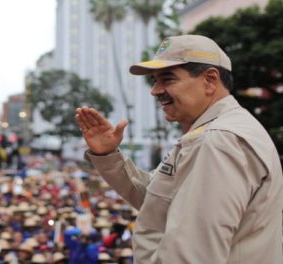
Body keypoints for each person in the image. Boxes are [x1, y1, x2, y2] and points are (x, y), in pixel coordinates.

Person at [75, 34, 283, 263]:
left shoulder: (217, 141)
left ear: (210, 80)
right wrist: (108, 156)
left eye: (167, 79)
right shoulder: (214, 133)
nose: (155, 90)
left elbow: (191, 255)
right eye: (155, 80)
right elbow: (157, 203)